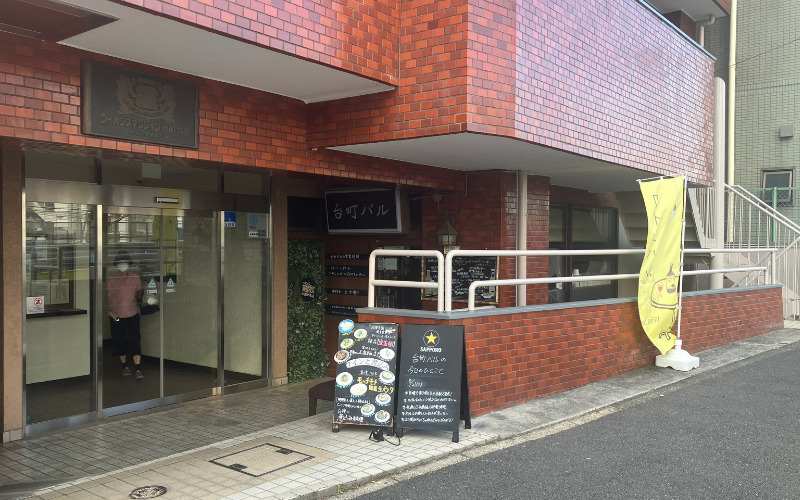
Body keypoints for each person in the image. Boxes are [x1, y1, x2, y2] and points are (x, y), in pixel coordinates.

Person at [107, 251, 145, 379]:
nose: (123, 265)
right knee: (119, 340)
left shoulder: (135, 278)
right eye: (120, 263)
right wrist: (112, 313)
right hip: (117, 315)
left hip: (133, 313)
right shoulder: (112, 280)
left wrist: (144, 294)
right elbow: (109, 298)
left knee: (135, 340)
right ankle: (124, 366)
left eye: (125, 263)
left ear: (129, 264)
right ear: (116, 265)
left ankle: (138, 368)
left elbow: (139, 294)